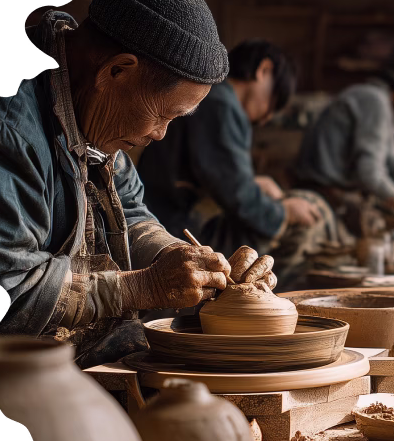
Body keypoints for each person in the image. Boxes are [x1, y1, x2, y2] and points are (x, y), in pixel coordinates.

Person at [0, 0, 276, 368]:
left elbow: (130, 213)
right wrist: (144, 287)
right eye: (164, 115)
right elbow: (1, 292)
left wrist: (186, 261)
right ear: (116, 71)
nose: (162, 134)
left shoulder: (86, 99)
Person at [137, 40, 341, 292]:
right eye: (273, 103)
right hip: (176, 225)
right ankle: (270, 300)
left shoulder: (219, 99)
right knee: (307, 213)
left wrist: (255, 183)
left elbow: (216, 175)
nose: (266, 119)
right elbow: (238, 196)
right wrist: (285, 212)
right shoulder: (221, 103)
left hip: (176, 212)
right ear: (263, 70)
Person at [292, 63, 394, 234]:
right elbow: (370, 175)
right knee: (377, 230)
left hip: (339, 189)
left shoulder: (386, 107)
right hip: (319, 189)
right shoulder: (375, 102)